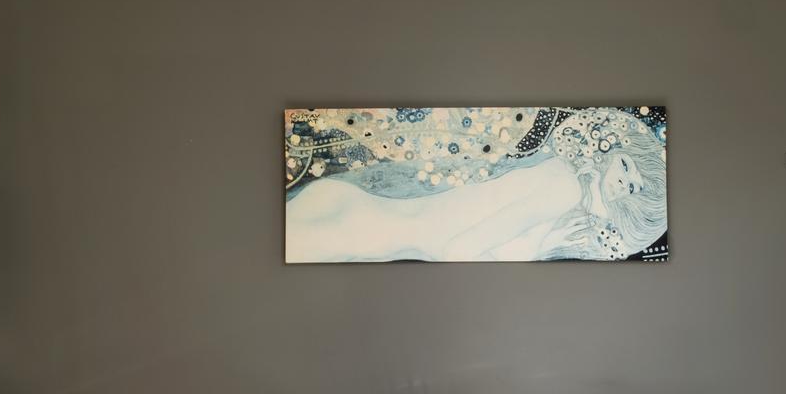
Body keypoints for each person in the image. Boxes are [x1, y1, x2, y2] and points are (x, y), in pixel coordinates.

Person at [284, 106, 666, 262]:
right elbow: (456, 250)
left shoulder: (566, 193)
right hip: (358, 230)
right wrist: (545, 248)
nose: (623, 182)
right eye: (628, 166)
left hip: (359, 220)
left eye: (633, 188)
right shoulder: (563, 188)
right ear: (611, 149)